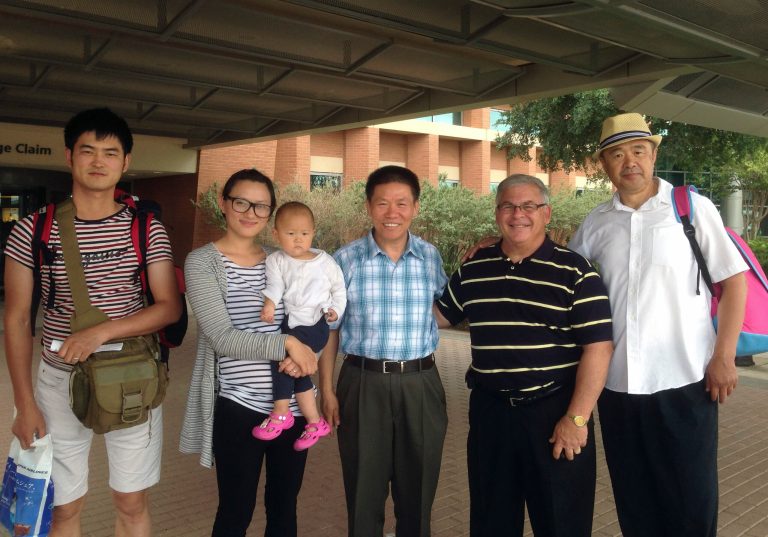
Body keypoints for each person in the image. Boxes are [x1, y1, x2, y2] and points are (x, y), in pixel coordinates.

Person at [3, 107, 182, 536]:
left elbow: (168, 307)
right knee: (64, 506)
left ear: (126, 162)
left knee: (131, 502)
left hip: (132, 376)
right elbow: (16, 319)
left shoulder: (147, 228)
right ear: (69, 157)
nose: (98, 161)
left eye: (110, 152)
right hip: (58, 382)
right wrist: (24, 404)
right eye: (88, 151)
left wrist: (100, 332)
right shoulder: (32, 230)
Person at [568, 112, 748, 537]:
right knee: (634, 502)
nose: (629, 161)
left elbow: (734, 283)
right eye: (617, 154)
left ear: (653, 155)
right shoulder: (596, 222)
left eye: (638, 150)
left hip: (684, 381)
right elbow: (562, 275)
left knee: (691, 503)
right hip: (618, 387)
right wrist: (504, 244)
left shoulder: (691, 210)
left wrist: (724, 357)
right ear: (604, 164)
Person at [433, 174, 614, 537]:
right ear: (497, 213)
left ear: (546, 213)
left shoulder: (576, 272)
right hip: (490, 415)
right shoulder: (474, 268)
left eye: (528, 206)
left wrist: (577, 419)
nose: (518, 214)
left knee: (562, 524)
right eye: (508, 206)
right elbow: (437, 317)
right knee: (491, 521)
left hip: (555, 413)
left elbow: (599, 348)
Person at [179, 169, 319, 537]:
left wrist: (308, 354)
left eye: (261, 206)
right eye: (241, 202)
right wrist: (287, 345)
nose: (250, 213)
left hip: (292, 407)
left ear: (270, 213)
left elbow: (312, 315)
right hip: (239, 406)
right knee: (235, 511)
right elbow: (223, 338)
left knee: (284, 508)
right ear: (224, 204)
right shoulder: (202, 262)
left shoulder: (284, 258)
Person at [319, 165, 448, 537]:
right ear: (368, 206)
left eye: (402, 203)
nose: (392, 213)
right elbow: (330, 330)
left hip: (421, 383)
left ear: (415, 207)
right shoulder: (345, 260)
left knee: (419, 489)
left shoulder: (430, 257)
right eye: (382, 203)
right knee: (364, 487)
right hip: (362, 383)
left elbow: (445, 312)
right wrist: (326, 389)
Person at [255, 201, 346, 450]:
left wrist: (336, 310)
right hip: (291, 324)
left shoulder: (325, 262)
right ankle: (314, 422)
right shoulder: (276, 260)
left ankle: (280, 413)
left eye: (304, 234)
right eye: (291, 233)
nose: (298, 240)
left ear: (313, 233)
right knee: (297, 372)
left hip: (316, 323)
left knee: (282, 363)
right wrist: (270, 304)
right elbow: (275, 286)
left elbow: (339, 289)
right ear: (276, 234)